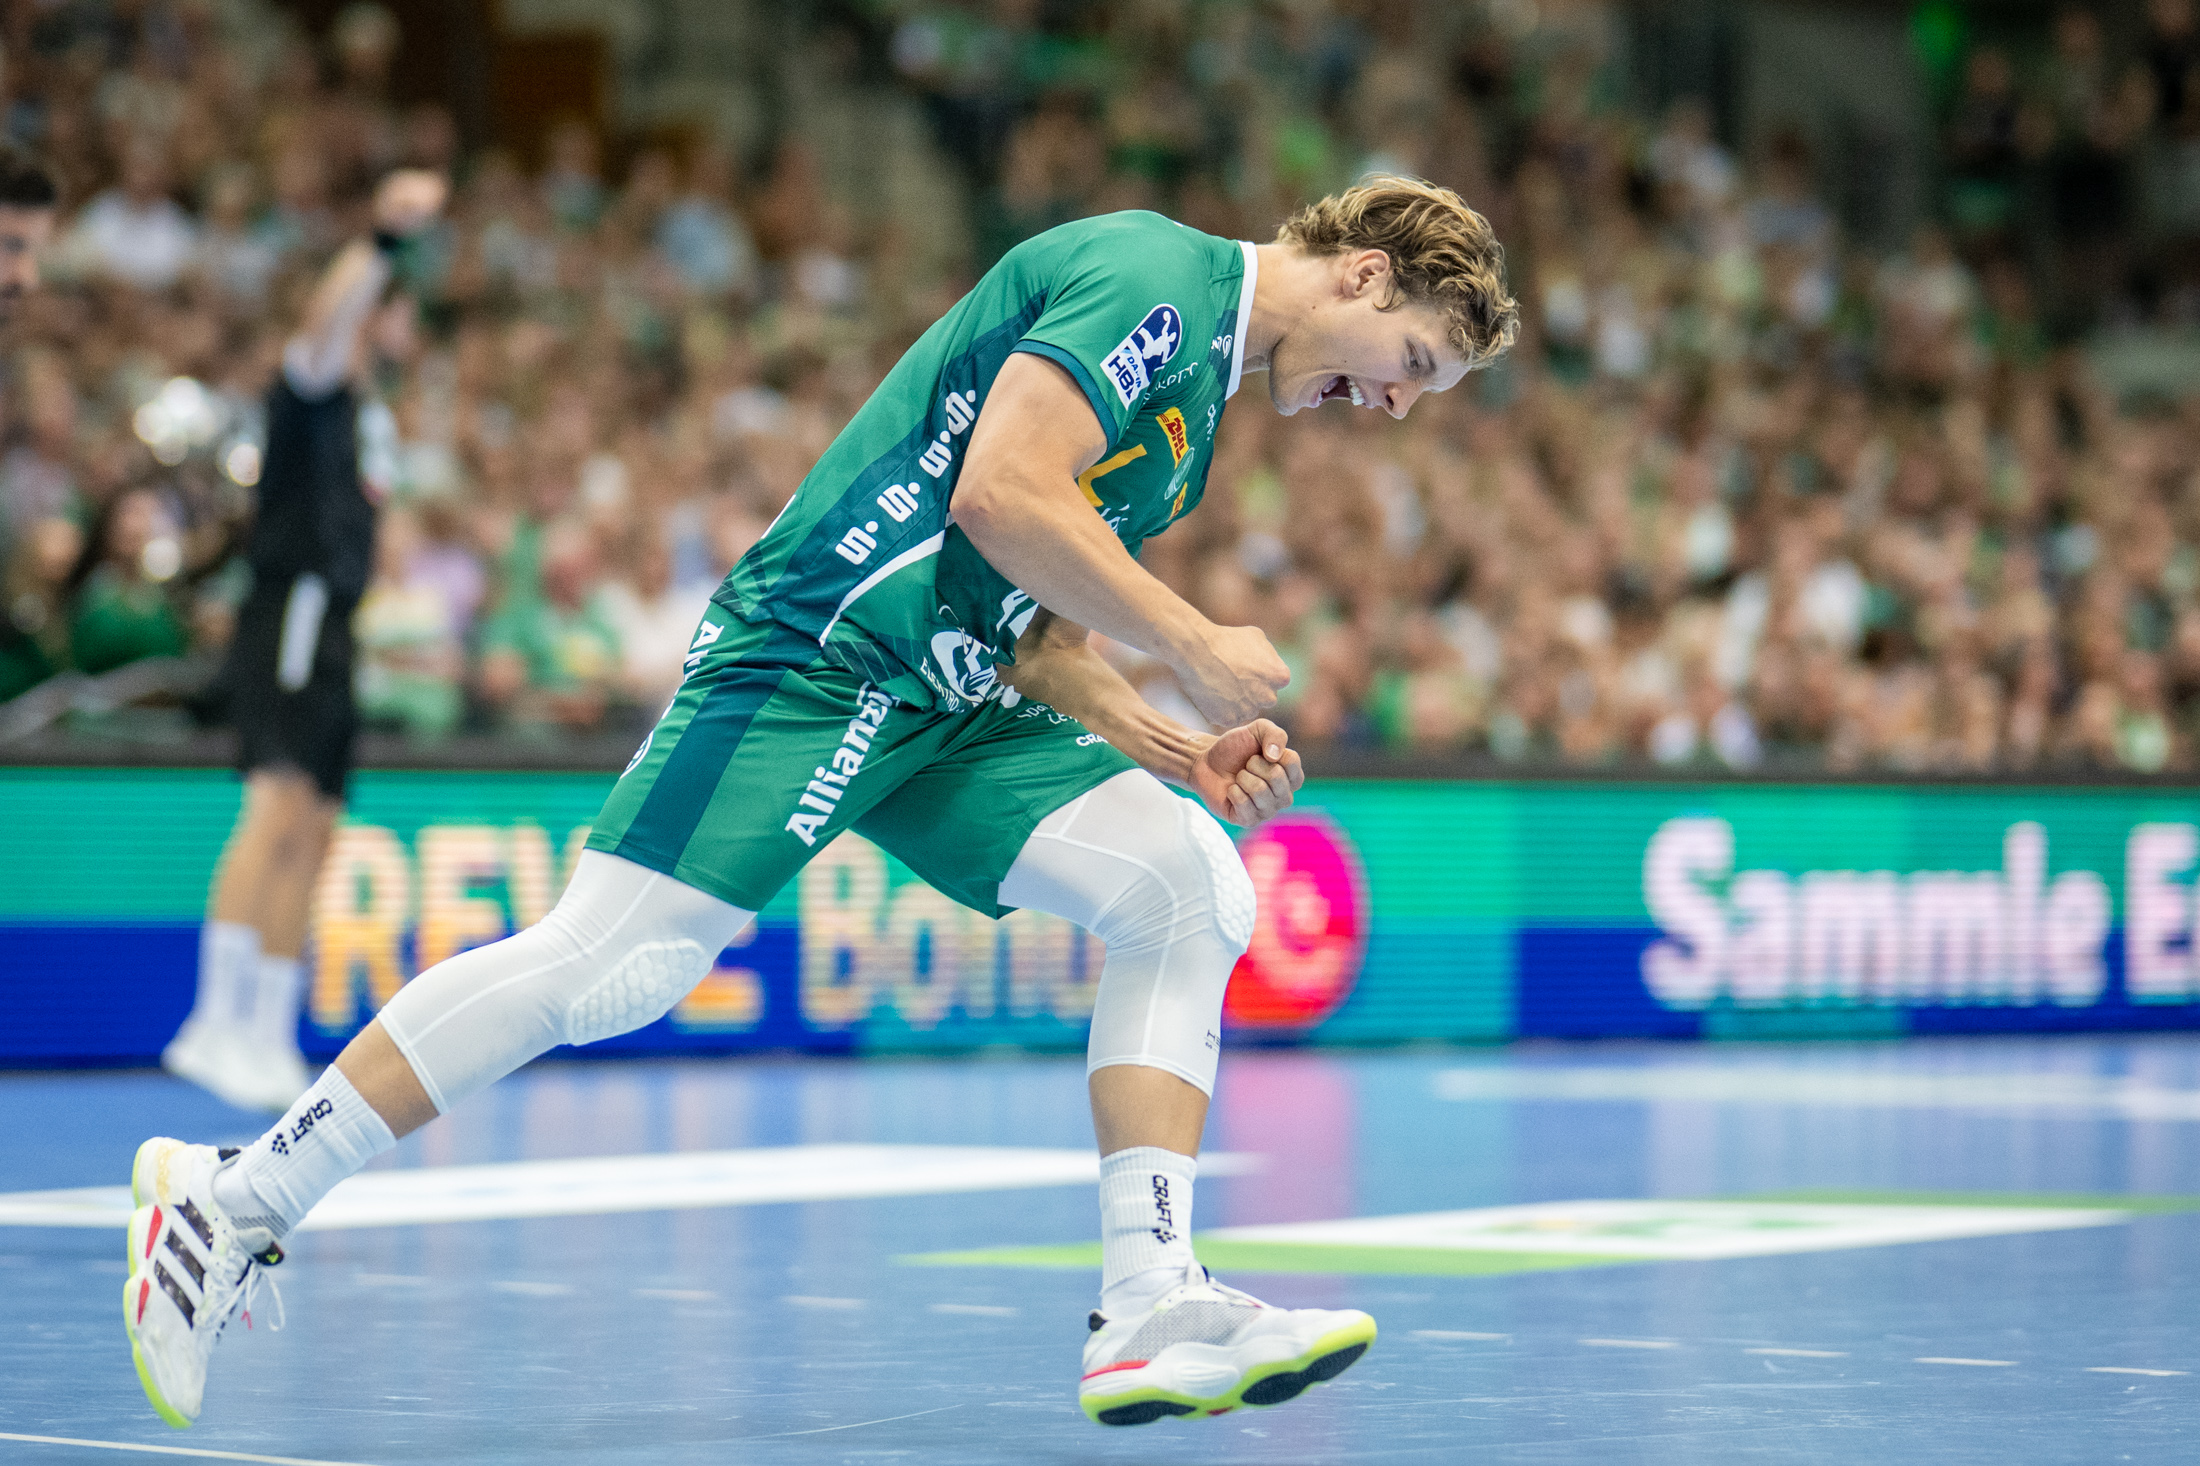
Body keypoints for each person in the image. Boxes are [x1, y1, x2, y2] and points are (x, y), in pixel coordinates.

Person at [124, 175, 1517, 1432]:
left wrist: (1173, 740)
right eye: (1411, 365)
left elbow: (1033, 626)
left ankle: (1150, 1300)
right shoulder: (1158, 276)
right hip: (826, 649)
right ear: (1365, 276)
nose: (1396, 406)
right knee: (613, 963)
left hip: (951, 695)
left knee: (1188, 882)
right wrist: (1196, 642)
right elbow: (999, 494)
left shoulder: (1198, 409)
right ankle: (229, 1199)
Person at [158, 170, 447, 1112]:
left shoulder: (371, 419)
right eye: (401, 310)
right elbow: (327, 317)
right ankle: (213, 1022)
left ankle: (266, 1031)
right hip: (291, 612)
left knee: (317, 827)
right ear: (378, 311)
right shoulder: (316, 384)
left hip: (337, 630)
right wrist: (384, 240)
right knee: (275, 808)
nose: (412, 330)